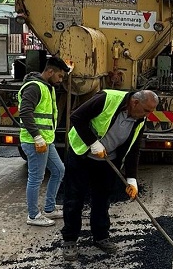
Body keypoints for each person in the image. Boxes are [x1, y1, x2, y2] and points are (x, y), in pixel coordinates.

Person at [61, 88, 159, 260]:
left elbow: (134, 149)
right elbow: (76, 117)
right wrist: (93, 143)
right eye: (146, 110)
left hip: (107, 162)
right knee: (74, 198)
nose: (147, 116)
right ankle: (70, 239)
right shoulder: (107, 99)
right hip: (81, 155)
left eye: (150, 112)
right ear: (135, 102)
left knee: (102, 199)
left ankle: (100, 236)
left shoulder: (140, 120)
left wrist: (132, 178)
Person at [18, 55, 68, 227]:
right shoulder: (34, 87)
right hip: (35, 141)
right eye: (60, 76)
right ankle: (33, 215)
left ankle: (49, 208)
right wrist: (37, 137)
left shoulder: (47, 86)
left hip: (46, 141)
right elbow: (25, 112)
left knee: (59, 170)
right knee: (36, 178)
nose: (61, 80)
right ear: (50, 71)